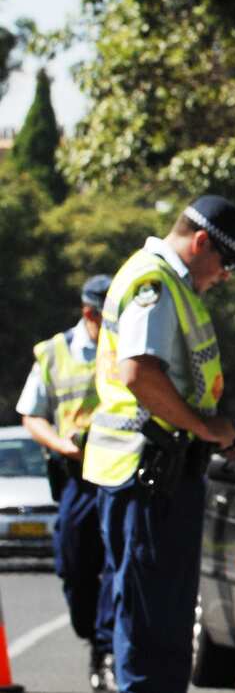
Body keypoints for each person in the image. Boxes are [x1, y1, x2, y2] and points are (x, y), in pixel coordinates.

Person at [80, 195, 235, 693]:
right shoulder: (154, 281)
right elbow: (139, 373)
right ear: (201, 242)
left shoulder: (170, 283)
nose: (225, 277)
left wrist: (215, 433)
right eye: (226, 263)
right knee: (152, 628)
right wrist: (205, 428)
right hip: (148, 476)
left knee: (162, 624)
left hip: (158, 476)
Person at [18, 274, 116, 691]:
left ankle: (106, 645)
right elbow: (31, 414)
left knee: (119, 560)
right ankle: (91, 632)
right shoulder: (54, 353)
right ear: (89, 313)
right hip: (76, 475)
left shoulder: (128, 346)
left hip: (118, 471)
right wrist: (63, 445)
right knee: (74, 565)